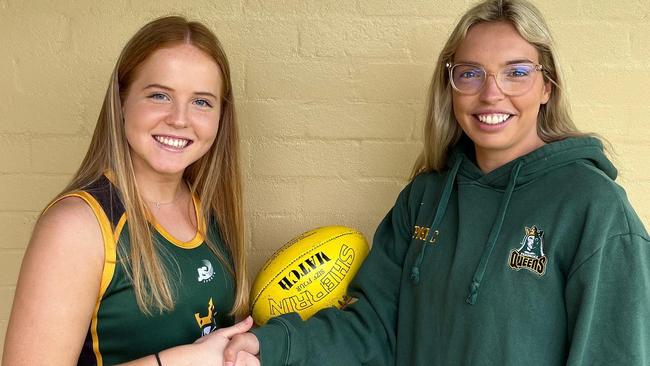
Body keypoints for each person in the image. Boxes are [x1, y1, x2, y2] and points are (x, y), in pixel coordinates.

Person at [223, 0, 650, 364]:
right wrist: (273, 343)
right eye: (470, 73)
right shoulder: (424, 198)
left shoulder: (595, 208)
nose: (491, 93)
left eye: (516, 72)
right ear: (450, 88)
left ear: (547, 88)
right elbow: (372, 327)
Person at [3, 16, 258, 365]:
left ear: (220, 116)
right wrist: (176, 362)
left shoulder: (209, 209)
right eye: (159, 95)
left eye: (201, 102)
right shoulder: (77, 227)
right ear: (122, 101)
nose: (179, 119)